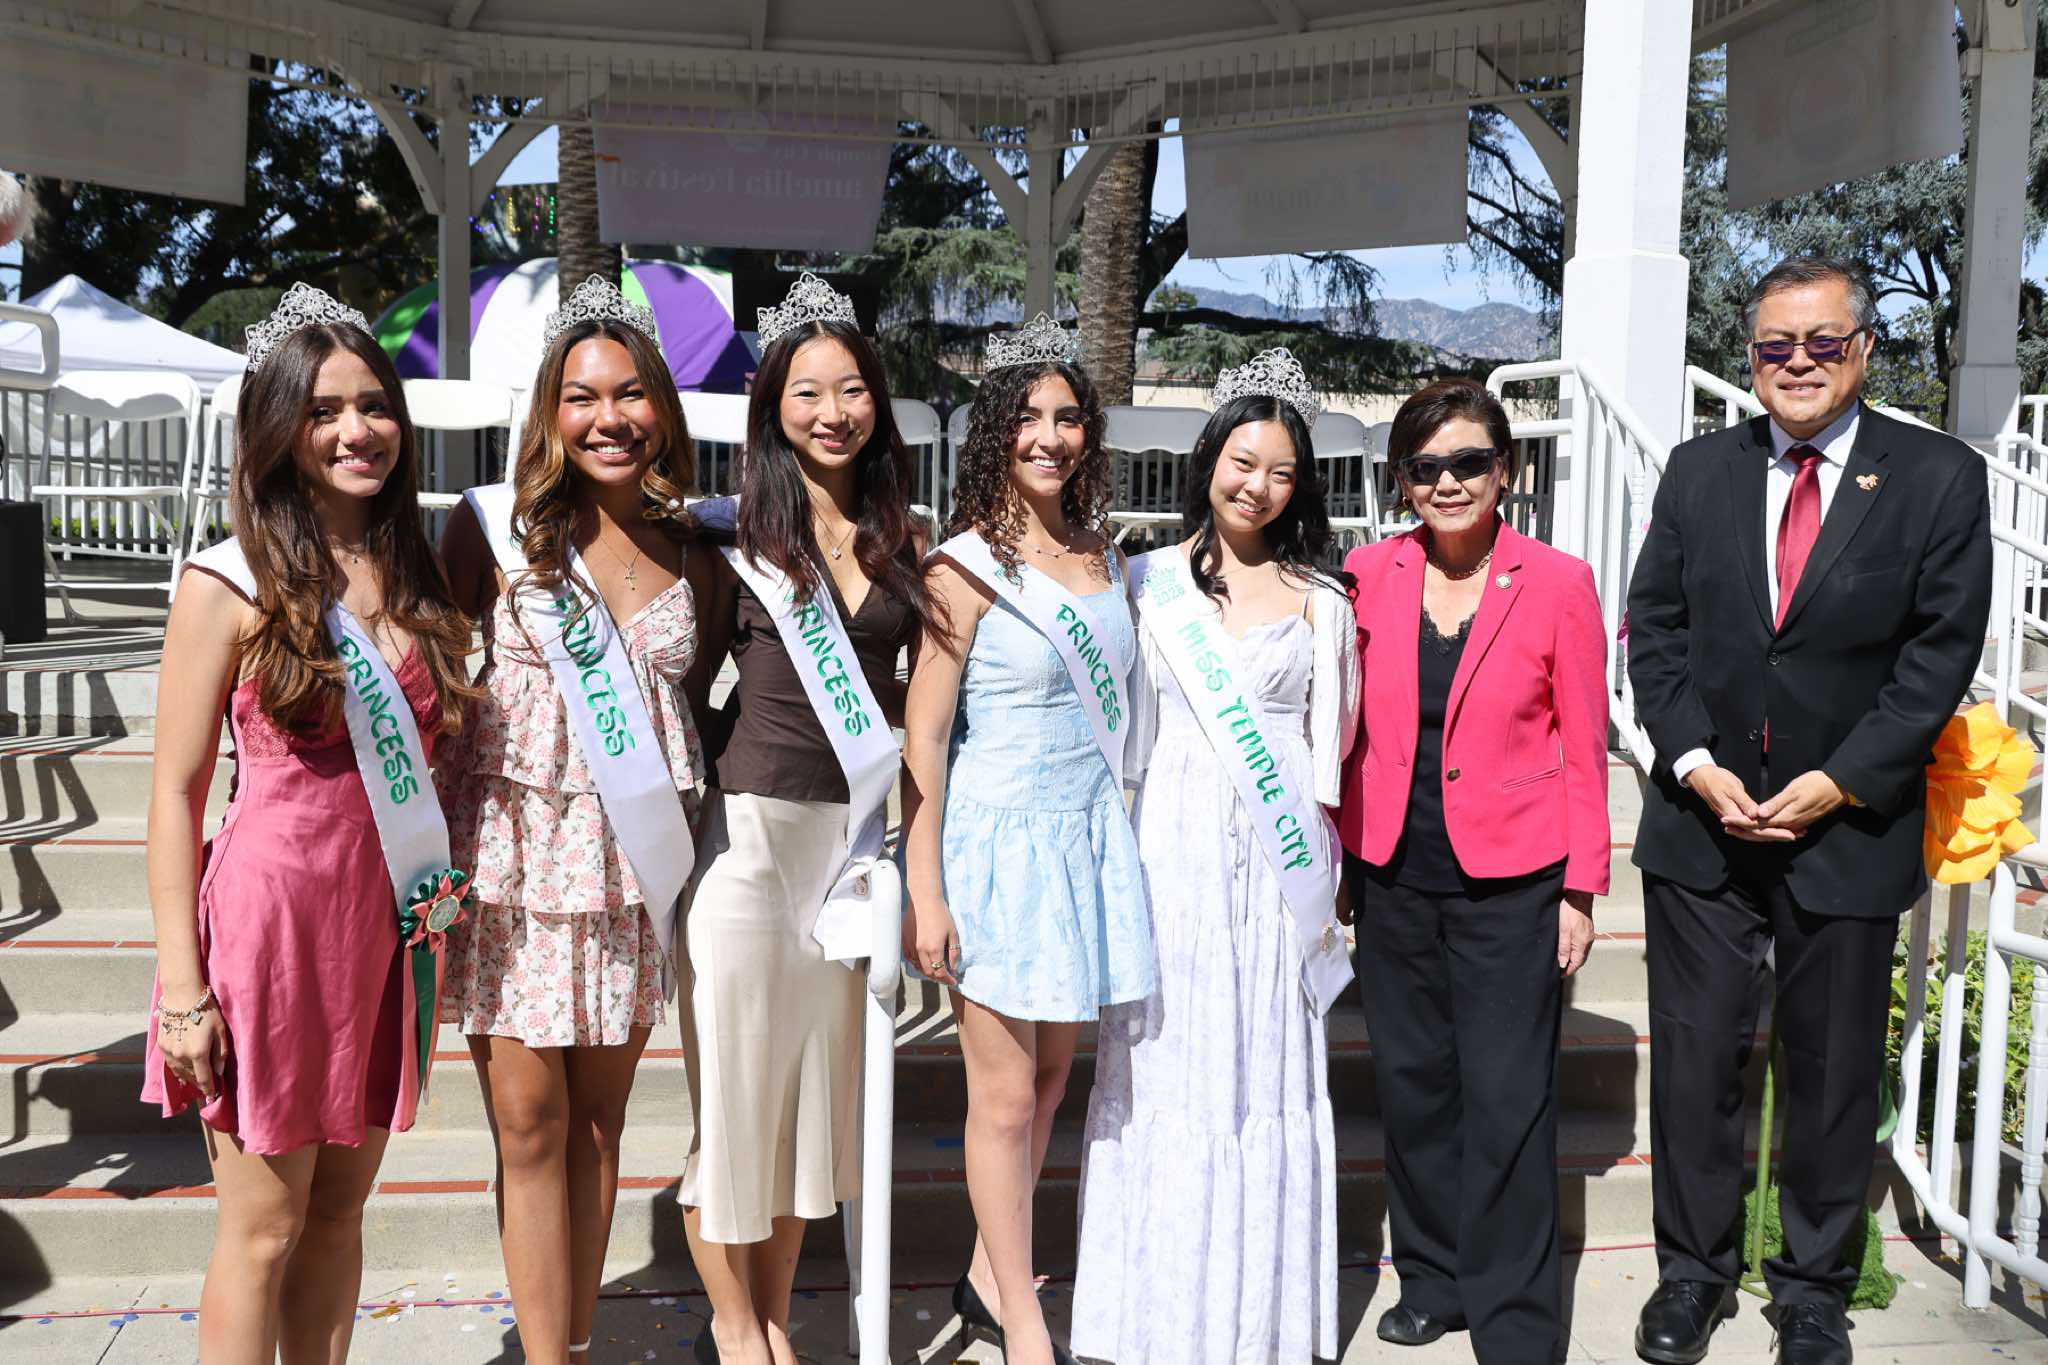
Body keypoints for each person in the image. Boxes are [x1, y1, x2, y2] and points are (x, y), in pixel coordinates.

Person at [1627, 257, 1991, 1365]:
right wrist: (1693, 762)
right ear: (1749, 358)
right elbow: (1654, 629)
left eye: (1821, 342)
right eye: (1773, 346)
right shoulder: (1698, 470)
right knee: (1695, 1065)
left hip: (1847, 828)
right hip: (1704, 828)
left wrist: (1841, 779)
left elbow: (1935, 659)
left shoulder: (1936, 478)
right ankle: (1692, 1277)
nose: (1796, 363)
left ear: (1862, 349)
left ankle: (1812, 1290)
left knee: (1831, 1074)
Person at [143, 283, 478, 1364]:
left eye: (374, 406)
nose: (355, 431)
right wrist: (184, 990)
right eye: (324, 410)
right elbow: (174, 793)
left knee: (337, 1217)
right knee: (264, 1230)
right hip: (270, 930)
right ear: (278, 431)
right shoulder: (226, 582)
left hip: (380, 932)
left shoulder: (418, 570)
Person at [438, 277, 716, 1365]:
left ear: (662, 408)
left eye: (631, 393)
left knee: (601, 1128)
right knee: (528, 1126)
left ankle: (577, 1343)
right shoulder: (490, 533)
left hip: (627, 871)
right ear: (550, 412)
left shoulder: (697, 548)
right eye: (583, 396)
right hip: (513, 869)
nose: (610, 418)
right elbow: (424, 672)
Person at [1071, 347, 1361, 1365]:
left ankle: (1256, 1322)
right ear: (1209, 461)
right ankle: (1150, 1316)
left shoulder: (1323, 601)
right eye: (1243, 462)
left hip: (1276, 869)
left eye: (1281, 472)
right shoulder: (1143, 581)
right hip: (1172, 851)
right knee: (1166, 1065)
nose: (1257, 486)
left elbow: (1330, 758)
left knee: (1261, 1071)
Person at [675, 272, 940, 1365]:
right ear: (772, 409)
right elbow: (686, 689)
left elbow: (919, 710)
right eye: (807, 393)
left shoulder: (903, 538)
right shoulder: (728, 536)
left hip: (848, 854)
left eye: (852, 390)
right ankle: (739, 1334)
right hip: (745, 848)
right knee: (735, 1110)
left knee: (799, 1121)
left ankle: (775, 1320)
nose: (833, 412)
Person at [1337, 377, 1610, 1365]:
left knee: (1506, 1097)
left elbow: (1585, 744)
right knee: (1413, 1085)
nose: (1447, 482)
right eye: (1425, 467)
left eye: (1467, 462)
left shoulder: (1557, 581)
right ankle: (1432, 1277)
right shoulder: (1365, 574)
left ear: (1504, 469)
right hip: (1391, 873)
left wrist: (1579, 887)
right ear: (1402, 480)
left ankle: (1514, 1314)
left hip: (1513, 880)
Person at [901, 315, 1152, 1365]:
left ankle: (982, 1274)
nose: (1050, 437)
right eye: (1029, 417)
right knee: (1003, 1098)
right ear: (995, 432)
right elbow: (924, 738)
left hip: (1083, 843)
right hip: (997, 849)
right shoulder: (960, 570)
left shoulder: (1103, 557)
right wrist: (925, 890)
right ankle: (1022, 1317)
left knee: (1050, 1081)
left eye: (1069, 417)